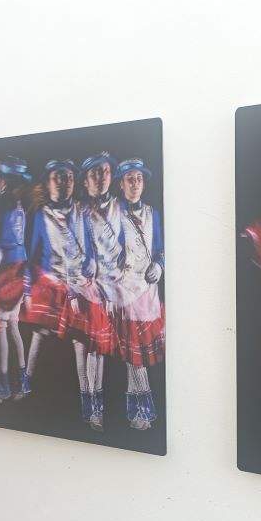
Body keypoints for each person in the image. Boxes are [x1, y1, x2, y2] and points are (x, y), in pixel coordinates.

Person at [20, 160, 97, 421]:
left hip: (78, 284)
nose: (64, 183)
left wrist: (88, 273)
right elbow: (32, 254)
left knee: (80, 341)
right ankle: (26, 383)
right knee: (40, 334)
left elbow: (91, 249)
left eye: (69, 178)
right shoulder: (41, 215)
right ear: (48, 182)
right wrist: (28, 290)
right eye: (58, 177)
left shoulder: (82, 212)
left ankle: (87, 398)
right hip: (50, 284)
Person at [113, 158, 165, 430]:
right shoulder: (113, 215)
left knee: (138, 355)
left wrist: (160, 265)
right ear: (121, 184)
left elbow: (161, 248)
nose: (135, 184)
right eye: (130, 179)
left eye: (139, 179)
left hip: (149, 292)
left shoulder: (153, 214)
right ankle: (144, 410)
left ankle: (135, 411)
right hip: (125, 292)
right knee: (134, 356)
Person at [78, 152, 121, 429]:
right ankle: (92, 406)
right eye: (94, 173)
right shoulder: (80, 212)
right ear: (85, 181)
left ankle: (100, 405)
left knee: (106, 350)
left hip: (118, 288)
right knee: (91, 348)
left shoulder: (121, 208)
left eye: (105, 172)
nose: (101, 178)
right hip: (89, 289)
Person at [0, 155, 31, 402]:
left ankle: (4, 384)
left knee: (2, 326)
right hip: (18, 266)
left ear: (3, 181)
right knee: (12, 326)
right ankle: (21, 381)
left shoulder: (4, 206)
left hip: (8, 269)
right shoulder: (20, 207)